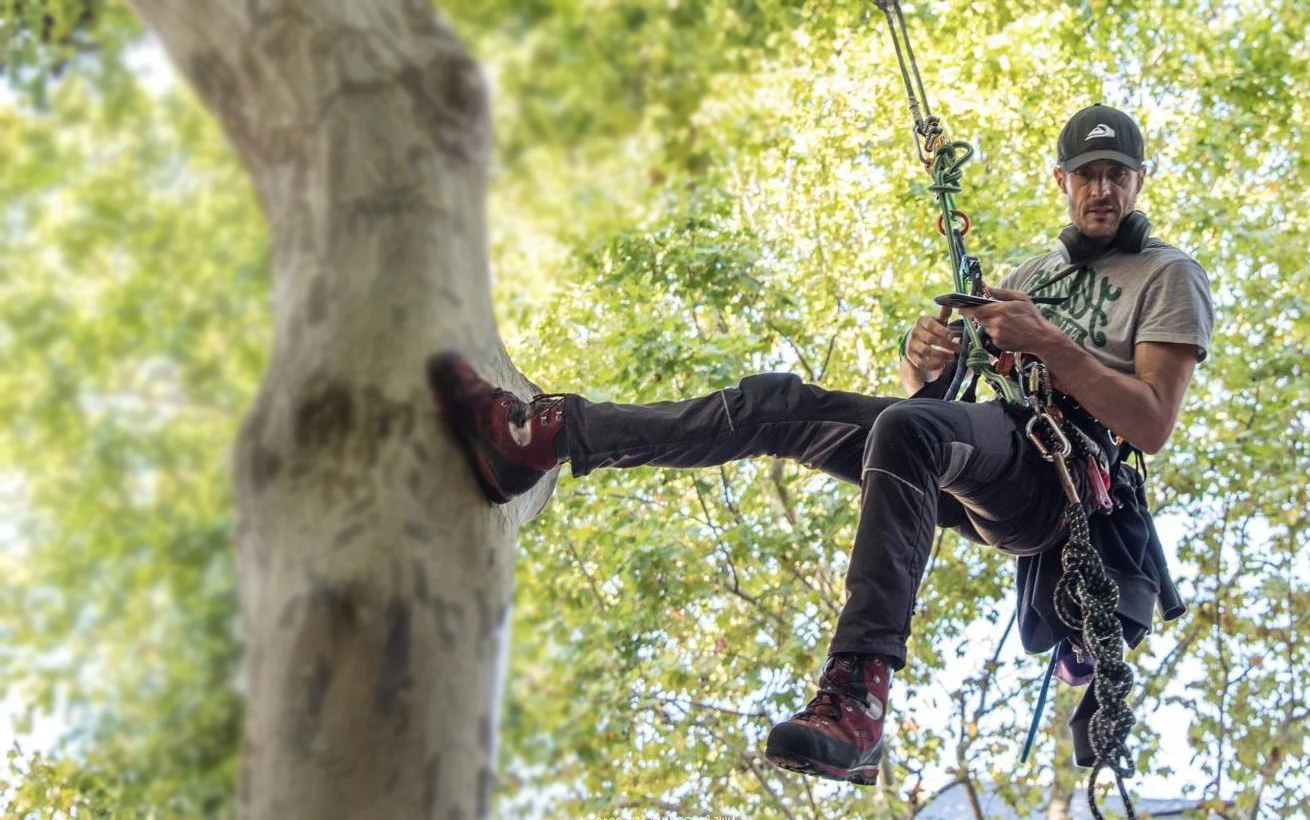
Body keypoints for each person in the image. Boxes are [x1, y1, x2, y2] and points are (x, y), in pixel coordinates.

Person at [427, 104, 1214, 785]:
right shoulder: (1034, 271)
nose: (1102, 189)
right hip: (982, 452)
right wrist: (927, 359)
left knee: (908, 431)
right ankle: (550, 437)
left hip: (1057, 480)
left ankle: (860, 699)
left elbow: (1150, 422)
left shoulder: (1168, 274)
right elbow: (933, 412)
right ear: (1061, 180)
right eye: (1087, 174)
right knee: (779, 404)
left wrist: (1048, 344)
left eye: (1118, 174)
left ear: (1141, 180)